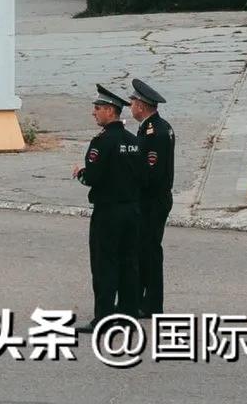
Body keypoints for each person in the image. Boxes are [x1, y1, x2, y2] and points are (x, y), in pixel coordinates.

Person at [73, 84, 143, 331]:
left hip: (108, 212)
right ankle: (128, 315)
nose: (94, 113)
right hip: (132, 211)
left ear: (111, 111)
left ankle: (103, 318)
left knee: (105, 265)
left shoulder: (102, 142)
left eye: (98, 108)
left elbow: (92, 177)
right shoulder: (133, 141)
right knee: (129, 264)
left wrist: (81, 173)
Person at [129, 78, 175, 316]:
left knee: (148, 252)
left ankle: (149, 303)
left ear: (142, 105)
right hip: (154, 199)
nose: (131, 106)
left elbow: (150, 173)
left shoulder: (154, 132)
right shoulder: (156, 126)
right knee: (145, 251)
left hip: (152, 201)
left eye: (133, 101)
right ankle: (144, 301)